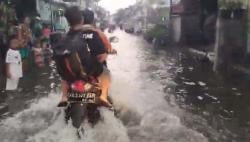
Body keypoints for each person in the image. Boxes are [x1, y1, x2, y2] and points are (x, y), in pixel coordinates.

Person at [56, 6, 110, 107]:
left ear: (68, 22)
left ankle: (64, 96)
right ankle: (103, 96)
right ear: (82, 19)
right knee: (106, 72)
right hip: (87, 72)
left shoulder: (64, 39)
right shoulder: (92, 34)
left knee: (64, 78)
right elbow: (101, 56)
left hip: (71, 76)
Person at [81, 9, 117, 106]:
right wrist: (110, 51)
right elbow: (108, 48)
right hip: (96, 71)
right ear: (92, 21)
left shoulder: (72, 34)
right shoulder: (98, 33)